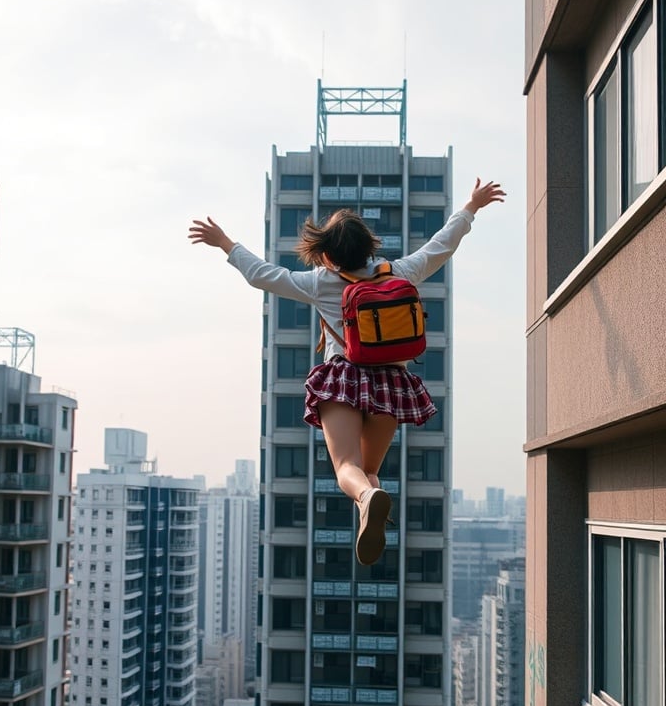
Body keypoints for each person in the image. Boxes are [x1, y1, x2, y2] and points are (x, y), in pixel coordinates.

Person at [189, 178, 505, 565]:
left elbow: (264, 275)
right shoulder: (399, 272)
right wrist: (470, 207)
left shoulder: (321, 282)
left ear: (326, 256)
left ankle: (369, 499)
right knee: (369, 470)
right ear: (369, 246)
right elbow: (441, 246)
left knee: (347, 468)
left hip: (345, 380)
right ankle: (369, 509)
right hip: (392, 383)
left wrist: (226, 243)